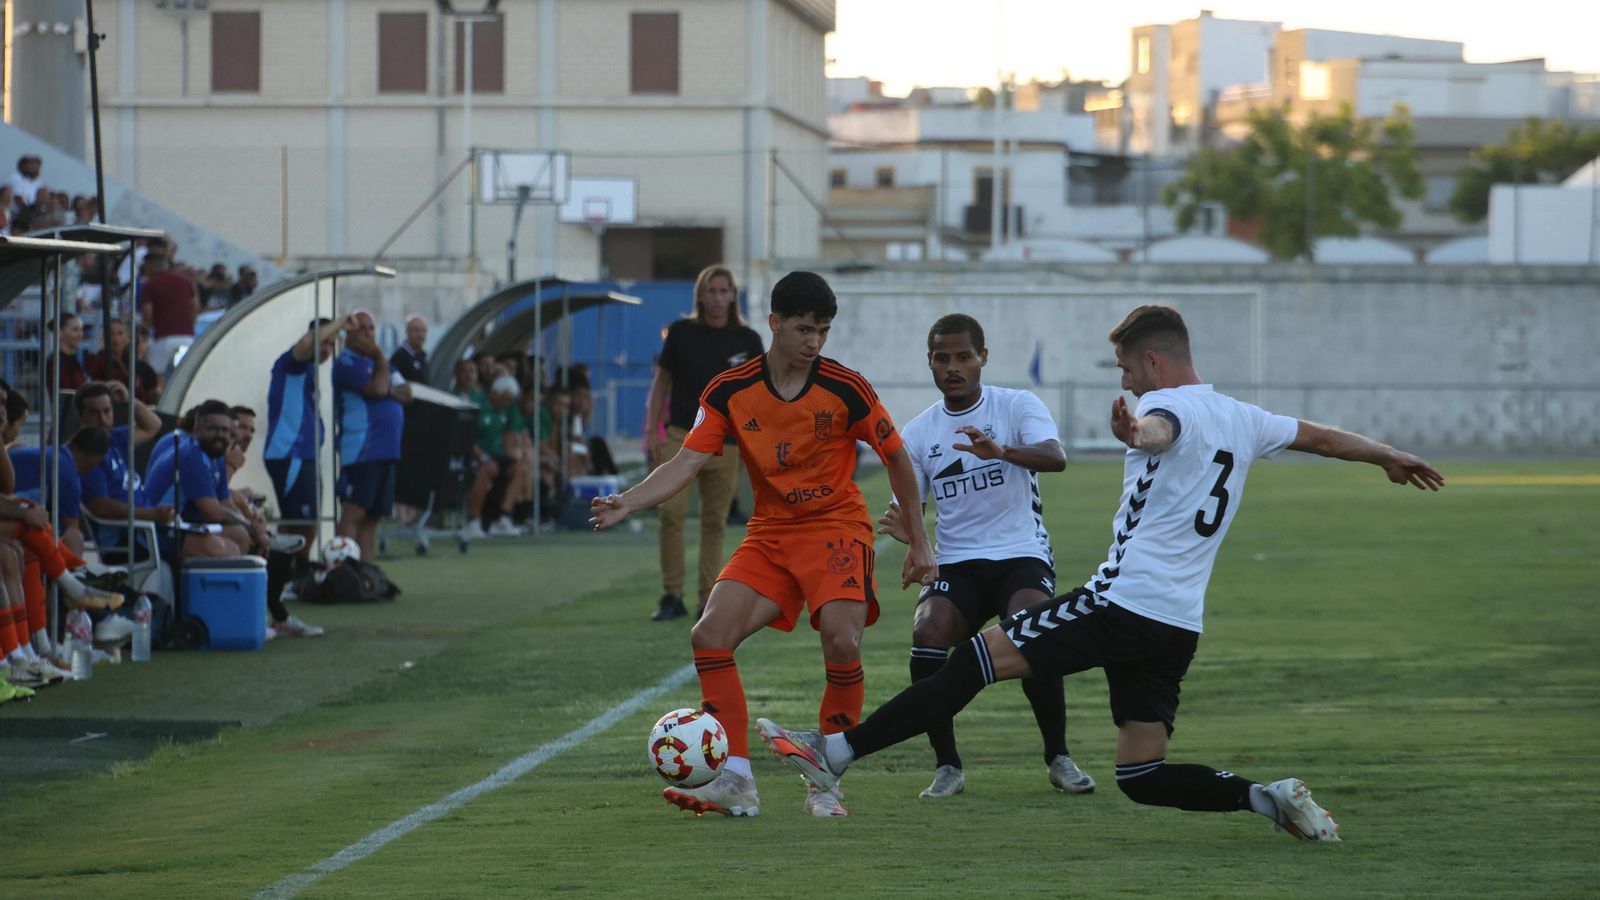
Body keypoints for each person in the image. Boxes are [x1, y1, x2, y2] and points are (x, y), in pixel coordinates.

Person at [758, 304, 1446, 840]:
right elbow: (1321, 437)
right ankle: (1266, 797)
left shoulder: (1162, 407)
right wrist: (1388, 454)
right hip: (1178, 624)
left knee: (969, 660)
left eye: (1125, 369)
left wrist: (1134, 432)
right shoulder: (1245, 416)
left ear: (1151, 360)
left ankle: (836, 752)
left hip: (1124, 604)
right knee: (1142, 774)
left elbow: (1161, 432)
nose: (1123, 382)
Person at [591, 270, 938, 819]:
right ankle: (736, 778)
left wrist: (920, 542)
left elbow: (896, 457)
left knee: (842, 640)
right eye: (804, 329)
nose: (814, 342)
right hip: (772, 533)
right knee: (709, 635)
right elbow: (686, 460)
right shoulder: (730, 389)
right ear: (773, 323)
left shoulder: (846, 387)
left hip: (835, 527)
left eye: (823, 331)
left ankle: (825, 782)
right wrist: (629, 501)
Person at [878, 313, 1093, 799]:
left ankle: (1058, 756)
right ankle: (947, 765)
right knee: (927, 631)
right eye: (941, 358)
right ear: (930, 363)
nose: (952, 367)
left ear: (983, 358)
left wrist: (1002, 452)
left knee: (1031, 624)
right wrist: (911, 536)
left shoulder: (1017, 405)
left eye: (963, 357)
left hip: (1021, 553)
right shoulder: (916, 434)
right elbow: (906, 509)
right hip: (957, 564)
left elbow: (1055, 456)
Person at [642, 265, 765, 622]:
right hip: (683, 435)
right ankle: (672, 594)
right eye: (711, 291)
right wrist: (652, 432)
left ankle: (707, 598)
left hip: (727, 440)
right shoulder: (681, 333)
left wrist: (756, 441)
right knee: (670, 513)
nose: (717, 298)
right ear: (700, 295)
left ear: (733, 296)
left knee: (715, 520)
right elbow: (661, 384)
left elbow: (757, 396)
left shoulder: (748, 340)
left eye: (724, 291)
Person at [333, 311, 408, 562]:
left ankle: (364, 570)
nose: (368, 334)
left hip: (387, 448)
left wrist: (382, 370)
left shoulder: (382, 363)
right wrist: (379, 361)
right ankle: (342, 567)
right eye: (362, 329)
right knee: (355, 510)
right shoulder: (346, 363)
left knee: (373, 515)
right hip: (362, 447)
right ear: (349, 334)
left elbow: (407, 393)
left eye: (371, 329)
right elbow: (377, 390)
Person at [265, 318, 340, 556]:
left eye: (332, 345)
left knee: (305, 521)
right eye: (324, 342)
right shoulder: (293, 363)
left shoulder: (309, 370)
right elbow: (307, 342)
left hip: (304, 455)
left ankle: (295, 572)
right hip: (290, 454)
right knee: (300, 522)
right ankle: (287, 574)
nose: (327, 350)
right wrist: (342, 321)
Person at [72, 382, 173, 555]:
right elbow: (100, 507)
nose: (102, 419)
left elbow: (153, 425)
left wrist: (129, 401)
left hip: (148, 527)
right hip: (126, 538)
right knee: (199, 548)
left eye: (107, 411)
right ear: (80, 417)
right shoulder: (87, 455)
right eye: (95, 413)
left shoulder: (114, 438)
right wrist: (153, 515)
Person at [140, 251, 199, 373]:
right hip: (187, 336)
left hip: (164, 337)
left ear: (148, 266)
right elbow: (195, 306)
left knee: (156, 374)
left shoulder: (150, 284)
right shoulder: (185, 282)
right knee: (187, 374)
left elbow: (148, 314)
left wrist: (150, 327)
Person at [45, 313, 89, 392]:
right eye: (75, 330)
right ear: (60, 332)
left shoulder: (73, 359)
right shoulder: (56, 362)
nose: (80, 334)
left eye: (81, 329)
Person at [389, 316, 430, 387]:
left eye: (423, 330)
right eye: (416, 330)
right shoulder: (400, 355)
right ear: (407, 332)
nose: (420, 334)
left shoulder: (423, 355)